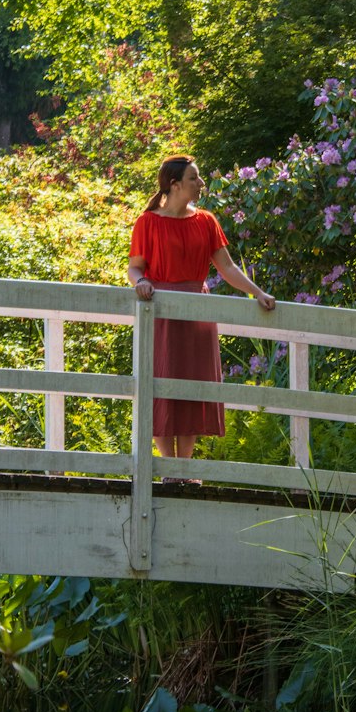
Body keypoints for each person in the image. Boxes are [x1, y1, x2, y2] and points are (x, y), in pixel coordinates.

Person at [128, 155, 275, 481]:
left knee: (193, 383)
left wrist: (258, 292)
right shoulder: (147, 222)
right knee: (162, 383)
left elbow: (227, 268)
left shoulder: (206, 221)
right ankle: (169, 469)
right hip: (161, 309)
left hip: (197, 310)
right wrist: (141, 282)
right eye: (194, 179)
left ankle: (186, 468)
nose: (201, 184)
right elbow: (134, 266)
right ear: (175, 184)